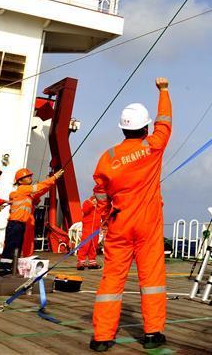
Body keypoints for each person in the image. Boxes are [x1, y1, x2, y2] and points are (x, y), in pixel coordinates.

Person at [91, 77, 172, 352]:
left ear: (122, 129)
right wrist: (163, 90)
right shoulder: (153, 147)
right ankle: (152, 334)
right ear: (145, 126)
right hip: (147, 225)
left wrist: (104, 218)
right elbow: (165, 122)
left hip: (119, 224)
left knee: (112, 280)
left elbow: (100, 194)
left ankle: (102, 337)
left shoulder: (107, 157)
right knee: (151, 280)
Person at [0, 168, 63, 275]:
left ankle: (11, 268)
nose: (30, 178)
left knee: (16, 247)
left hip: (20, 224)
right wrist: (54, 177)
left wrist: (52, 181)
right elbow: (39, 187)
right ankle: (4, 268)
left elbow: (40, 190)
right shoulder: (23, 189)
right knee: (11, 246)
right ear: (20, 181)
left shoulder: (26, 193)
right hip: (15, 223)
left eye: (30, 176)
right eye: (27, 177)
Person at [77, 184, 108, 270]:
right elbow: (85, 210)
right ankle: (81, 262)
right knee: (85, 245)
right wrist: (92, 204)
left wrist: (103, 226)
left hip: (96, 228)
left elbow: (103, 215)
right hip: (87, 228)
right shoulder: (87, 202)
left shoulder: (100, 205)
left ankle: (92, 262)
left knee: (94, 246)